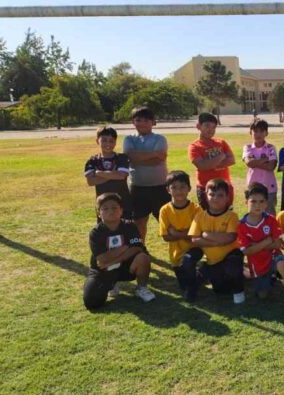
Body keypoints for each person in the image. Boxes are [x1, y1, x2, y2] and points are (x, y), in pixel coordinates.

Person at [238, 183, 284, 325]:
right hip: (257, 264)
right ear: (246, 202)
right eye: (253, 201)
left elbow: (277, 244)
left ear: (266, 203)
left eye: (262, 201)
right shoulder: (241, 225)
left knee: (282, 264)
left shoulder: (270, 219)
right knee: (262, 295)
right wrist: (267, 241)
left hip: (273, 257)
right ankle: (257, 275)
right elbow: (246, 251)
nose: (258, 205)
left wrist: (256, 245)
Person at [83, 192, 155, 309]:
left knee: (143, 258)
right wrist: (123, 248)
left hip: (125, 267)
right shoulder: (96, 233)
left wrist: (113, 260)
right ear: (99, 213)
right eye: (105, 208)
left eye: (114, 207)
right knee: (91, 303)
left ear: (121, 210)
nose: (110, 211)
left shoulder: (130, 226)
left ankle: (141, 288)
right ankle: (111, 284)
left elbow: (137, 248)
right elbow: (102, 260)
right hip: (104, 270)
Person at [188, 178, 245, 304]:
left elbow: (230, 238)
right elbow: (195, 240)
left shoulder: (232, 216)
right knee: (220, 290)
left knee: (233, 265)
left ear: (227, 197)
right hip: (213, 260)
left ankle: (238, 290)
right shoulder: (200, 216)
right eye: (211, 194)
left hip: (231, 255)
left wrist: (206, 234)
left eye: (220, 195)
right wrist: (216, 241)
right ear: (205, 196)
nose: (215, 198)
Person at [123, 107, 170, 241]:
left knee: (167, 221)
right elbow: (129, 157)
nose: (142, 123)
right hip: (138, 187)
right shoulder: (129, 139)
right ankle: (140, 249)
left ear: (153, 122)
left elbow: (158, 160)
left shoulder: (160, 138)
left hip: (160, 187)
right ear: (133, 122)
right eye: (138, 120)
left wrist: (136, 160)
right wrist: (154, 154)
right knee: (139, 222)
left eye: (146, 120)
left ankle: (178, 252)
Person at [158, 171, 203, 301]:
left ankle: (192, 291)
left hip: (194, 248)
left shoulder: (196, 209)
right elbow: (166, 237)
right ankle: (201, 273)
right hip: (176, 253)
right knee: (183, 283)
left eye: (182, 187)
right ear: (168, 190)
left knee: (188, 262)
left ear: (189, 189)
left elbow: (195, 235)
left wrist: (177, 233)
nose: (179, 191)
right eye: (174, 187)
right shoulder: (165, 210)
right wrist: (186, 233)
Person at [188, 112, 235, 211]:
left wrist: (210, 163)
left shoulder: (221, 142)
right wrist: (221, 156)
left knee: (227, 215)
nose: (211, 130)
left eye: (214, 127)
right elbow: (201, 166)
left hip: (225, 187)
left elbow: (232, 160)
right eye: (207, 126)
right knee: (208, 217)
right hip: (205, 188)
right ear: (198, 126)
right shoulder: (194, 146)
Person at [84, 125, 132, 220]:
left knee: (126, 230)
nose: (108, 143)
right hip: (103, 203)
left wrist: (98, 173)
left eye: (111, 141)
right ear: (97, 141)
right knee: (105, 231)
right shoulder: (93, 160)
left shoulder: (122, 158)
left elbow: (121, 176)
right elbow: (90, 182)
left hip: (123, 202)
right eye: (104, 140)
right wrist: (112, 174)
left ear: (115, 142)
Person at [242, 119, 278, 215]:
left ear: (266, 133)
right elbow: (249, 163)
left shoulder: (271, 148)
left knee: (270, 214)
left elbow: (271, 166)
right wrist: (264, 160)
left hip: (269, 187)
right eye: (255, 131)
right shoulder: (247, 147)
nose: (258, 134)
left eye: (261, 131)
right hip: (252, 187)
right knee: (253, 213)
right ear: (250, 132)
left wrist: (255, 162)